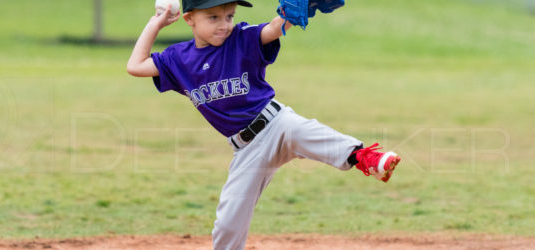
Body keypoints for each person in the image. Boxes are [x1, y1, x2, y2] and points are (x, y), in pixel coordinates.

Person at [126, 0, 401, 249]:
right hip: (246, 149)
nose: (224, 25)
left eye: (229, 15)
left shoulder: (241, 38)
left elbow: (272, 29)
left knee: (305, 131)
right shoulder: (178, 60)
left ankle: (367, 158)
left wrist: (294, 13)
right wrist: (156, 22)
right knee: (228, 220)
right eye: (213, 17)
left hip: (275, 123)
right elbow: (135, 65)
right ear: (189, 19)